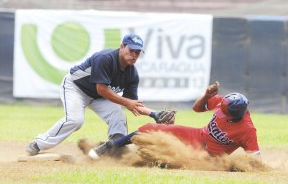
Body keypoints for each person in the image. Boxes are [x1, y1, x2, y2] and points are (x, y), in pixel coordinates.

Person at [26, 34, 166, 156]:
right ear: (122, 46)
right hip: (76, 88)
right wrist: (127, 102)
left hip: (99, 97)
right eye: (132, 50)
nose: (134, 55)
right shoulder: (105, 58)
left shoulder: (132, 74)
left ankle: (116, 149)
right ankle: (39, 143)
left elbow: (133, 104)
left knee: (117, 114)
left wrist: (154, 114)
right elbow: (102, 90)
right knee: (75, 120)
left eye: (138, 52)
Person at [87, 81, 260, 159]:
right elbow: (197, 109)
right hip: (197, 135)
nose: (220, 112)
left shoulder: (247, 131)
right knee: (151, 127)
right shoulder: (224, 103)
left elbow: (255, 161)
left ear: (236, 115)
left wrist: (234, 165)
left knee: (168, 158)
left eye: (224, 113)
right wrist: (206, 96)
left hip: (207, 155)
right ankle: (111, 146)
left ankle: (130, 157)